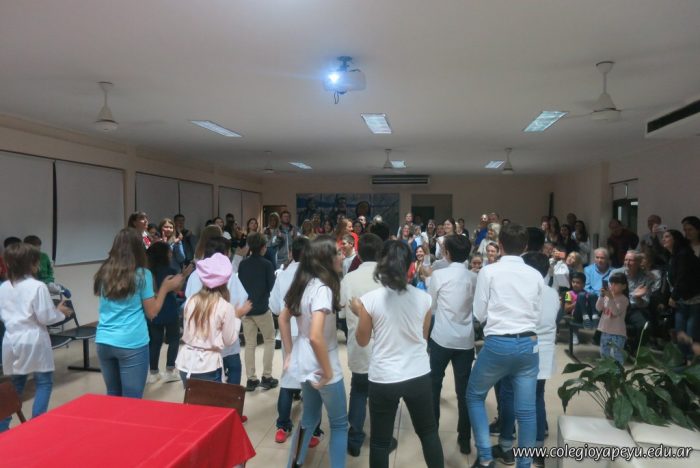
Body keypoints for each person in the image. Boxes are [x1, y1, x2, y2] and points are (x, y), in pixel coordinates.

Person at [351, 241, 444, 468]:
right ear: (410, 265)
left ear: (381, 264)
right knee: (429, 433)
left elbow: (362, 341)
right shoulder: (424, 298)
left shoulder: (370, 300)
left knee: (380, 442)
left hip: (384, 377)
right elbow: (423, 337)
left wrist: (360, 312)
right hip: (418, 374)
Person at [467, 223, 543, 468]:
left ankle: (486, 458)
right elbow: (538, 313)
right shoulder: (535, 274)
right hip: (529, 344)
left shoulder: (489, 272)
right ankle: (524, 464)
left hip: (498, 343)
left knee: (475, 395)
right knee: (527, 412)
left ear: (499, 246)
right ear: (525, 247)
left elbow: (479, 312)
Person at [279, 236, 348, 468]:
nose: (342, 257)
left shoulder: (305, 284)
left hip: (305, 360)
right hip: (322, 362)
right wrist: (327, 372)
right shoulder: (323, 289)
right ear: (325, 259)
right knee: (339, 424)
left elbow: (283, 318)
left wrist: (290, 353)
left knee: (309, 417)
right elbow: (316, 336)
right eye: (337, 252)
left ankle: (294, 463)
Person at [94, 228, 184, 398]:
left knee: (112, 395)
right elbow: (152, 312)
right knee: (132, 398)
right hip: (131, 342)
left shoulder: (104, 272)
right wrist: (165, 288)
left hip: (104, 340)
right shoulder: (142, 274)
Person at [496, 252, 559, 468]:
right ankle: (537, 451)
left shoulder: (521, 289)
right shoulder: (552, 293)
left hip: (520, 348)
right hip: (544, 352)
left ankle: (506, 447)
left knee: (508, 395)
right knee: (537, 398)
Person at [0, 242, 73, 432]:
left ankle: (2, 428)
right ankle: (36, 427)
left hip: (11, 340)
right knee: (44, 382)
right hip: (33, 340)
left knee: (15, 386)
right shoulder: (37, 286)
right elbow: (46, 317)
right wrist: (60, 312)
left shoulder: (3, 287)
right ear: (31, 263)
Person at [269, 237, 324, 447]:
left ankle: (283, 426)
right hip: (309, 332)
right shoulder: (315, 275)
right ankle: (314, 430)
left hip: (288, 332)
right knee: (313, 379)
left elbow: (275, 307)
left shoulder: (283, 275)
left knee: (288, 376)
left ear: (291, 253)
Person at [427, 235, 476, 455]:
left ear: (446, 253)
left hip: (441, 338)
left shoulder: (439, 275)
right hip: (465, 340)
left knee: (433, 386)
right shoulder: (474, 277)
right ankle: (464, 439)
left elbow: (432, 306)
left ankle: (432, 435)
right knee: (464, 391)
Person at [340, 233, 386, 457]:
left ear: (358, 253)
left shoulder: (349, 278)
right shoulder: (387, 277)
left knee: (358, 390)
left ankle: (355, 439)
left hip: (359, 344)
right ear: (380, 253)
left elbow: (341, 311)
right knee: (382, 395)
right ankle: (382, 437)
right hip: (385, 346)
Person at [176, 253, 252, 384]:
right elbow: (229, 340)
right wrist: (237, 316)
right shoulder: (225, 307)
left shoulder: (191, 300)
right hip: (208, 366)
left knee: (192, 397)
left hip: (186, 363)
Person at [237, 232, 278, 391]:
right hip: (262, 308)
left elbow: (240, 285)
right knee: (269, 339)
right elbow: (271, 286)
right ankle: (267, 376)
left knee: (250, 344)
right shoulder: (267, 264)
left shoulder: (243, 264)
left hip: (246, 309)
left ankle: (251, 379)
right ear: (263, 247)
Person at [146, 242, 189, 384]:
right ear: (164, 254)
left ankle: (153, 372)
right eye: (169, 251)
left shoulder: (148, 272)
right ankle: (170, 370)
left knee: (155, 342)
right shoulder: (170, 270)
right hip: (169, 308)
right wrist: (183, 275)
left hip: (152, 309)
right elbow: (177, 289)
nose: (171, 254)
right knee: (174, 339)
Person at [662, 229, 700, 360]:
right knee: (680, 332)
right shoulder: (672, 256)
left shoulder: (684, 255)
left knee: (691, 332)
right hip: (681, 299)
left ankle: (691, 361)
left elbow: (682, 277)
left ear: (675, 239)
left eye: (667, 237)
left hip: (694, 298)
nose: (663, 239)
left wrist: (673, 296)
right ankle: (684, 360)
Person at [613, 251, 653, 353]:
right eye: (626, 260)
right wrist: (633, 295)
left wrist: (638, 298)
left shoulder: (645, 278)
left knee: (644, 327)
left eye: (631, 260)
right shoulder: (616, 273)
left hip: (634, 309)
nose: (627, 263)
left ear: (638, 262)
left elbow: (645, 303)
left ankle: (635, 349)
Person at [596, 272, 630, 364]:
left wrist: (610, 298)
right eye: (611, 283)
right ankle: (606, 370)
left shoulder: (624, 299)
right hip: (605, 330)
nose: (613, 286)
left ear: (624, 286)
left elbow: (615, 312)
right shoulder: (607, 296)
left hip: (617, 333)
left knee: (616, 355)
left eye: (616, 284)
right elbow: (598, 308)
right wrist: (601, 296)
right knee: (604, 353)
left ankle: (618, 371)